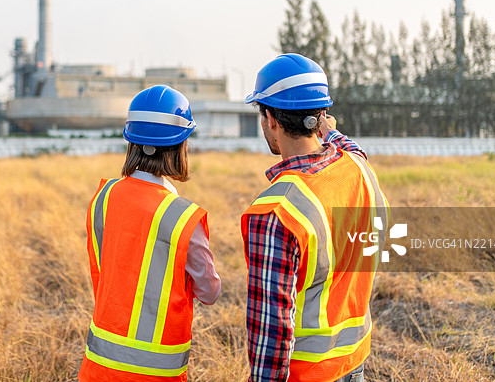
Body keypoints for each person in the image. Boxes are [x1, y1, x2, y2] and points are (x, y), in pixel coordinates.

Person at [241, 54, 389, 382]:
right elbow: (351, 149)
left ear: (271, 120)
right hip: (354, 361)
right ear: (321, 115)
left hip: (308, 374)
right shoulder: (359, 170)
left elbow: (271, 335)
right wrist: (326, 129)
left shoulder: (275, 211)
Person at [78, 84, 221, 382]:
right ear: (181, 145)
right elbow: (210, 292)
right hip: (156, 373)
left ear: (130, 141)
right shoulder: (183, 217)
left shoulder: (102, 197)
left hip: (98, 368)